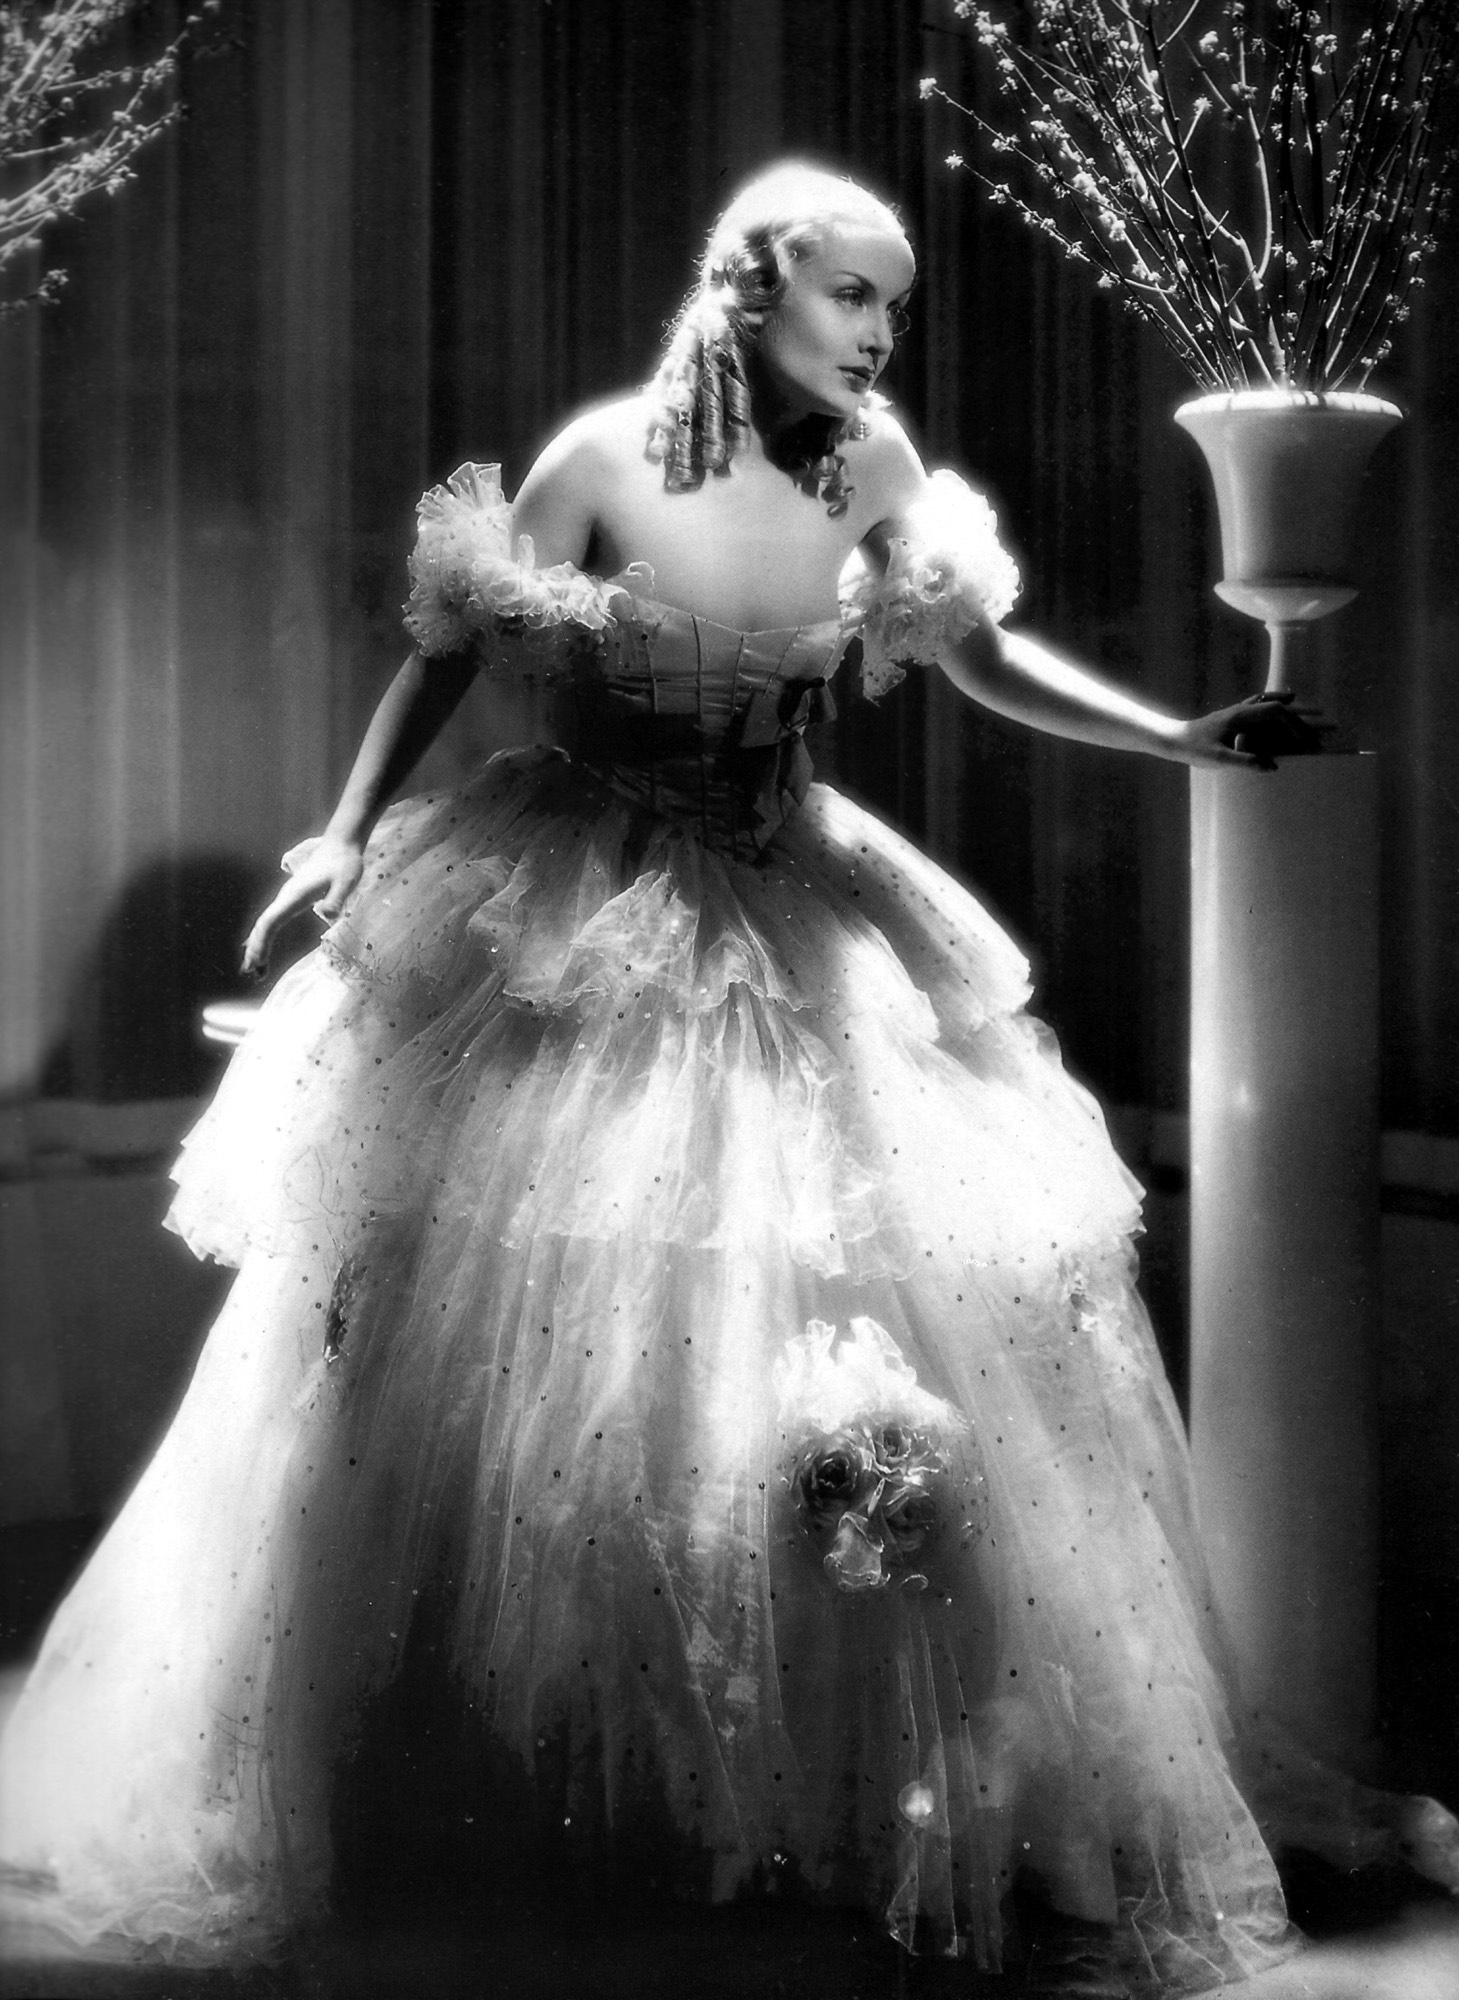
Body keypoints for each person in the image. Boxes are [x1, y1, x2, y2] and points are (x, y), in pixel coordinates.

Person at [0, 161, 1450, 1994]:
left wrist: (1180, 735)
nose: (881, 334)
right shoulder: (601, 461)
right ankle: (509, 1786)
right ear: (752, 292)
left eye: (896, 304)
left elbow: (980, 657)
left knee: (834, 1321)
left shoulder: (878, 468)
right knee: (531, 1340)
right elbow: (445, 656)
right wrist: (349, 830)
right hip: (580, 895)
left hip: (789, 893)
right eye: (852, 296)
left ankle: (793, 1791)